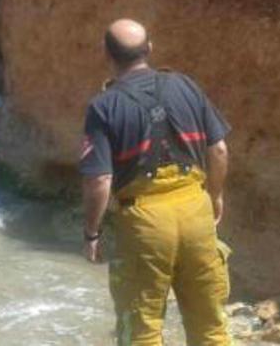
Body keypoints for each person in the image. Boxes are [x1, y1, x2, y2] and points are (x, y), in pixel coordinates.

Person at [79, 19, 232, 345]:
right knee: (210, 326)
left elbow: (100, 180)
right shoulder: (185, 85)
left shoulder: (103, 106)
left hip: (143, 222)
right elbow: (218, 149)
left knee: (142, 329)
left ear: (106, 54)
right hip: (196, 210)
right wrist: (215, 197)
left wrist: (92, 232)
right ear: (150, 49)